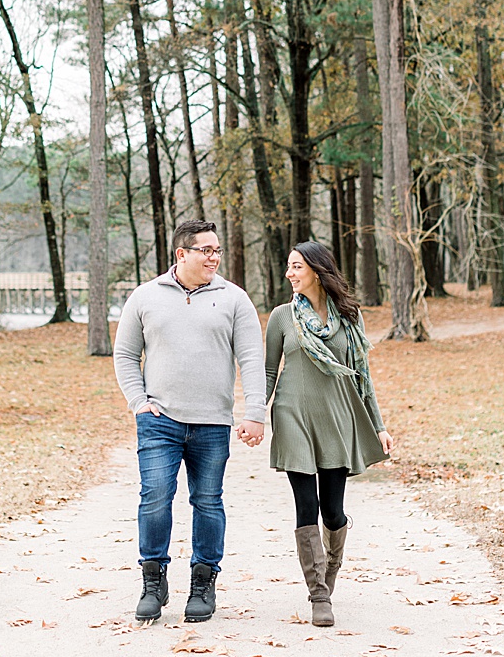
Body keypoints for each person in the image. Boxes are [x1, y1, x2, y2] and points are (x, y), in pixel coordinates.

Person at [113, 219, 265, 624]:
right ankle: (152, 579)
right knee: (156, 498)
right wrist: (138, 402)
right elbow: (125, 355)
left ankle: (203, 581)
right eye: (206, 250)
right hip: (159, 421)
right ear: (182, 254)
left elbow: (252, 359)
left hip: (212, 423)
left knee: (208, 502)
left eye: (217, 250)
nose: (214, 257)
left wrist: (255, 413)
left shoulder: (234, 299)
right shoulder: (145, 296)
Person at [265, 239, 393, 628]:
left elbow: (362, 377)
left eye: (296, 267)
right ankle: (318, 593)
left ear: (317, 272)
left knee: (333, 511)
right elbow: (270, 372)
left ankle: (329, 573)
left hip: (337, 418)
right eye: (288, 267)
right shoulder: (282, 317)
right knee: (306, 506)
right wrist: (255, 414)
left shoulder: (350, 318)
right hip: (293, 417)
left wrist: (379, 425)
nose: (289, 274)